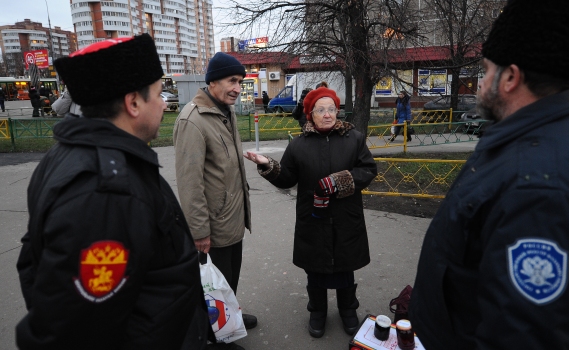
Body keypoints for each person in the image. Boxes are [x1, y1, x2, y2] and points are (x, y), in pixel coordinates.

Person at [408, 1, 569, 349]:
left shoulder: (544, 189)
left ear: (510, 77)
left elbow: (522, 337)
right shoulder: (530, 144)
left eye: (485, 71)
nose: (480, 85)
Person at [15, 34, 208, 350]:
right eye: (159, 94)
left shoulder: (70, 154)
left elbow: (35, 263)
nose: (163, 103)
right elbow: (74, 329)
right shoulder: (106, 193)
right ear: (133, 103)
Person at [244, 87, 377, 338]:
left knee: (344, 266)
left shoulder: (354, 139)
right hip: (313, 219)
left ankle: (348, 309)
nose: (327, 115)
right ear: (310, 114)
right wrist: (267, 165)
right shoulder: (298, 145)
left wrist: (340, 181)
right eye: (320, 110)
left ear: (337, 111)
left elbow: (368, 170)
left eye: (331, 109)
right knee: (315, 269)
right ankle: (317, 311)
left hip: (345, 217)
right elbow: (287, 178)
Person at [173, 52, 256, 350]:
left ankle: (229, 317)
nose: (237, 87)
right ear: (213, 81)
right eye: (232, 81)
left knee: (228, 280)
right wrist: (199, 232)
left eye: (240, 82)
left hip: (233, 217)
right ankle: (215, 336)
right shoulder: (192, 120)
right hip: (213, 225)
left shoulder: (226, 111)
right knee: (211, 286)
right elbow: (189, 183)